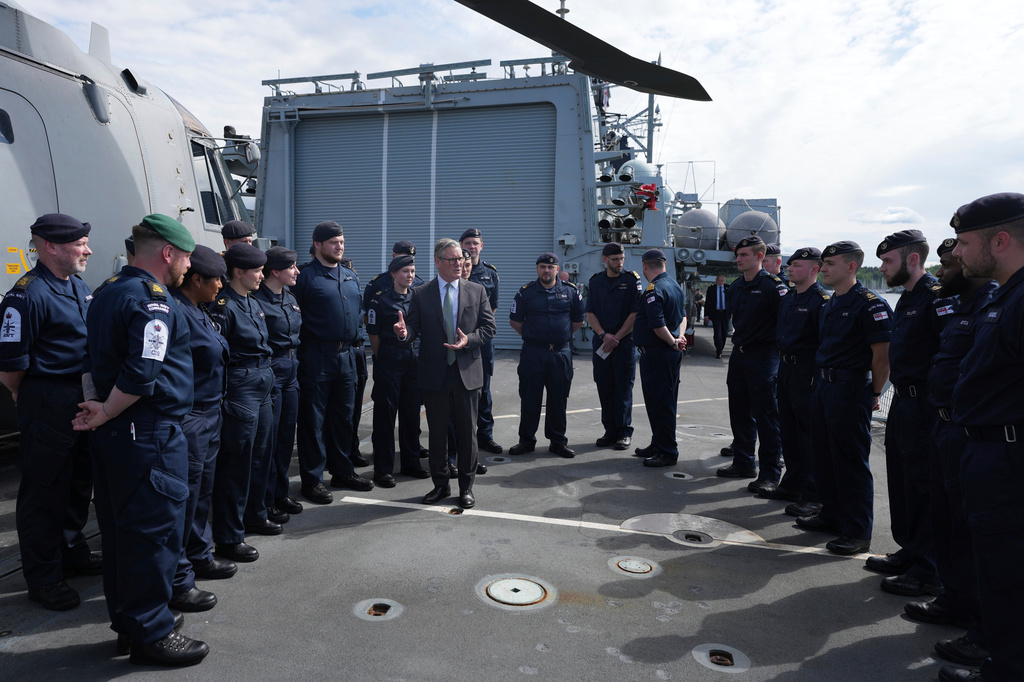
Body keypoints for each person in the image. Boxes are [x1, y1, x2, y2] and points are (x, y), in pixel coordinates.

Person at [73, 213, 209, 666]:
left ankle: (131, 624)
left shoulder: (107, 291)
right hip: (148, 431)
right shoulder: (154, 302)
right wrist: (108, 408)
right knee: (153, 535)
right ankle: (152, 632)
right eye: (186, 257)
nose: (188, 267)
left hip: (116, 432)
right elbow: (144, 371)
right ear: (167, 253)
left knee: (119, 535)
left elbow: (89, 360)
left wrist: (97, 409)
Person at [940, 192, 1024, 682]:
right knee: (996, 569)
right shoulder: (1007, 296)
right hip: (987, 451)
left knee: (1008, 575)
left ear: (1000, 239)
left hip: (1008, 459)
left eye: (965, 243)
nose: (958, 254)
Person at [0, 213, 100, 611]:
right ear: (50, 247)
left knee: (78, 483)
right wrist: (26, 396)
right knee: (44, 492)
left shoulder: (76, 285)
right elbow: (10, 367)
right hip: (48, 401)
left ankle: (71, 552)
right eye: (80, 244)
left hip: (80, 398)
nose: (88, 250)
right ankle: (43, 578)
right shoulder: (26, 294)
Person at [911, 237, 995, 673]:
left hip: (974, 431)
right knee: (945, 518)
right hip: (945, 423)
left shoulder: (991, 304)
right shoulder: (962, 304)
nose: (949, 264)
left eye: (954, 256)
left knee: (972, 530)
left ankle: (985, 633)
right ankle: (954, 599)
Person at [796, 240, 891, 557]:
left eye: (830, 264)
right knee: (823, 456)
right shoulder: (829, 304)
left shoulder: (869, 304)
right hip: (823, 387)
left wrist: (874, 393)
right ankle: (832, 515)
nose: (823, 269)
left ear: (851, 267)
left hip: (850, 389)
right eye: (823, 264)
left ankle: (857, 531)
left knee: (850, 461)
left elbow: (882, 357)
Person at [870, 230, 952, 597]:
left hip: (924, 405)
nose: (883, 268)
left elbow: (951, 355)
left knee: (923, 486)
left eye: (888, 261)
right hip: (902, 401)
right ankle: (910, 549)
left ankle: (928, 570)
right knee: (901, 480)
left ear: (913, 260)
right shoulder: (907, 298)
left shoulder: (937, 299)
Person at [393, 238, 496, 509]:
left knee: (467, 433)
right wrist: (405, 334)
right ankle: (440, 485)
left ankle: (466, 488)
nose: (459, 264)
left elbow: (489, 328)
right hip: (434, 373)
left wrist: (469, 340)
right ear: (437, 262)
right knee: (437, 434)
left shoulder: (477, 291)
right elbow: (414, 328)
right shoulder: (421, 293)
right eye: (452, 260)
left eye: (461, 259)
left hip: (467, 372)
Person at [168, 246, 232, 615]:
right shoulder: (177, 310)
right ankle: (180, 575)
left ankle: (199, 554)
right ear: (196, 280)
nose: (220, 286)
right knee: (185, 496)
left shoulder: (199, 310)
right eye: (216, 280)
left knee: (202, 491)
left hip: (210, 412)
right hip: (190, 417)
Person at [292, 221, 374, 505]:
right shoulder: (303, 277)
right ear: (317, 245)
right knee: (313, 421)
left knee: (344, 418)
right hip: (316, 356)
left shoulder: (350, 275)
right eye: (334, 242)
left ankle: (342, 472)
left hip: (348, 356)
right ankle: (313, 480)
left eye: (342, 242)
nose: (340, 246)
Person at [208, 244, 278, 564]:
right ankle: (228, 537)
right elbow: (218, 357)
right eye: (257, 271)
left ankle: (255, 515)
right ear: (238, 272)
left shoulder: (253, 302)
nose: (262, 276)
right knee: (236, 463)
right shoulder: (224, 307)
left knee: (261, 456)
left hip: (263, 381)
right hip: (242, 386)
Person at [717, 235, 788, 488]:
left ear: (759, 257)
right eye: (737, 255)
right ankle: (743, 462)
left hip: (765, 356)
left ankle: (769, 475)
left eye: (744, 255)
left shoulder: (773, 287)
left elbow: (786, 324)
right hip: (740, 354)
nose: (738, 259)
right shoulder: (736, 287)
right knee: (739, 411)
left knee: (767, 416)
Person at [763, 247, 829, 513]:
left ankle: (812, 494)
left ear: (815, 269)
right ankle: (792, 483)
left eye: (797, 265)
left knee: (808, 435)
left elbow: (825, 342)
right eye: (789, 265)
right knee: (788, 430)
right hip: (786, 369)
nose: (790, 269)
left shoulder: (820, 300)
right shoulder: (789, 298)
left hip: (807, 372)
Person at [508, 252, 585, 459]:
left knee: (558, 398)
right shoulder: (526, 293)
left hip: (560, 353)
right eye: (542, 267)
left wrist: (563, 335)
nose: (546, 270)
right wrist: (533, 336)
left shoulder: (570, 292)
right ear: (537, 269)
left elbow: (578, 320)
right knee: (530, 397)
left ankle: (558, 441)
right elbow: (515, 321)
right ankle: (526, 440)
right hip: (533, 353)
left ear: (557, 270)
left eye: (551, 267)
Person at [366, 254, 431, 487]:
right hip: (390, 360)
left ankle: (411, 463)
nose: (410, 276)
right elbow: (373, 334)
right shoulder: (380, 300)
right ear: (393, 274)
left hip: (414, 360)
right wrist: (382, 356)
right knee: (385, 415)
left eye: (412, 271)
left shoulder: (419, 297)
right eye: (405, 272)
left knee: (411, 413)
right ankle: (383, 469)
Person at [252, 247, 305, 522]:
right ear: (276, 271)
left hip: (292, 371)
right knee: (268, 441)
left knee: (285, 438)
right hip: (271, 371)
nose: (297, 271)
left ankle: (281, 493)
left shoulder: (290, 298)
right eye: (292, 267)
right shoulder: (258, 301)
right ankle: (266, 498)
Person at [631, 249, 687, 466]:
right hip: (669, 352)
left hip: (658, 354)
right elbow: (683, 316)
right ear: (664, 264)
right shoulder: (674, 286)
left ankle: (667, 451)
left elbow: (657, 324)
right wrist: (679, 337)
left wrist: (672, 341)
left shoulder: (654, 289)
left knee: (660, 402)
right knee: (663, 401)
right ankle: (659, 442)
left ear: (645, 266)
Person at [585, 242, 641, 451]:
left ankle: (624, 432)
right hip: (602, 342)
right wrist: (603, 335)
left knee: (624, 388)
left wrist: (615, 337)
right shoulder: (596, 282)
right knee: (604, 385)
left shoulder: (631, 281)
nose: (619, 263)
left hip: (624, 343)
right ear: (605, 260)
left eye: (622, 259)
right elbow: (590, 313)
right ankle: (610, 431)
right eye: (615, 259)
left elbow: (635, 314)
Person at [461, 228, 503, 454]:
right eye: (467, 243)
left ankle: (485, 435)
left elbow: (493, 306)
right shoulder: (455, 270)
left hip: (483, 341)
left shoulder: (490, 273)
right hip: (459, 339)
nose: (472, 246)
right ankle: (460, 439)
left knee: (484, 389)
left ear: (481, 246)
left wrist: (479, 331)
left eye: (475, 243)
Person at [705, 275, 729, 358]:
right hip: (716, 314)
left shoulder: (728, 288)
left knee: (724, 333)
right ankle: (718, 351)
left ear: (724, 281)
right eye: (719, 280)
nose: (720, 282)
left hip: (725, 314)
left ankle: (720, 348)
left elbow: (732, 301)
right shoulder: (711, 289)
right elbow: (707, 302)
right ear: (716, 280)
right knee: (717, 333)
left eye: (722, 280)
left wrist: (733, 312)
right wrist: (706, 315)